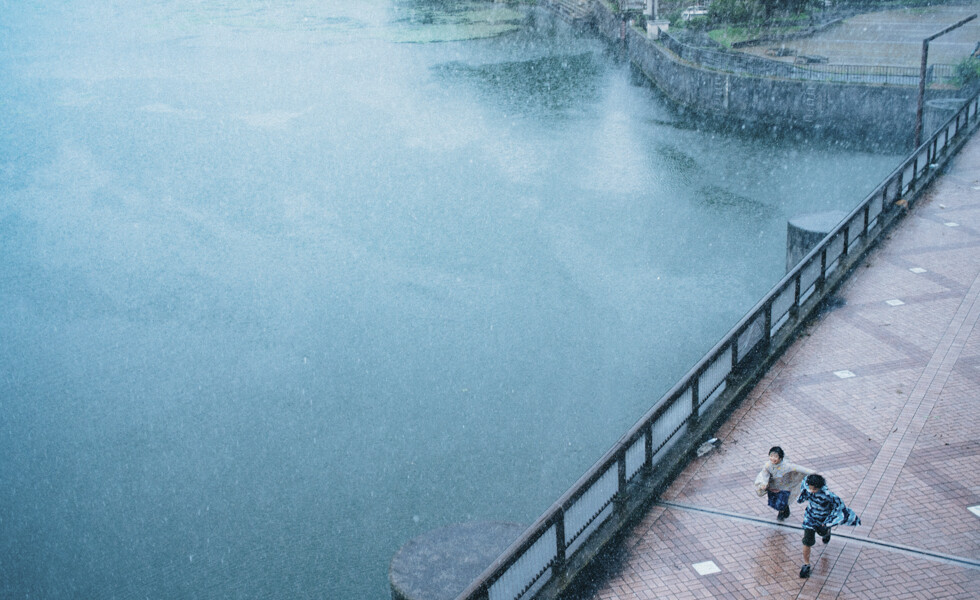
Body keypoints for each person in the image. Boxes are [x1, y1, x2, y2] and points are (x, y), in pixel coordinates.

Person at [796, 473, 861, 578]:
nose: (811, 491)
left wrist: (829, 522)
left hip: (823, 521)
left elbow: (839, 508)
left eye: (814, 489)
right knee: (807, 540)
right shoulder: (807, 487)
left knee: (822, 533)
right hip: (810, 518)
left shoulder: (829, 496)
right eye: (810, 488)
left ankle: (827, 532)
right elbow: (802, 480)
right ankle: (806, 564)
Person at [755, 446, 813, 522]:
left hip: (784, 487)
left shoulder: (786, 466)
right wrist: (765, 483)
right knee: (774, 502)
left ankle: (781, 513)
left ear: (780, 458)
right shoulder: (768, 465)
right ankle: (785, 508)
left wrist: (812, 473)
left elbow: (798, 468)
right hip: (773, 487)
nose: (773, 458)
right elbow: (765, 474)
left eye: (775, 456)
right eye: (771, 456)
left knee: (781, 503)